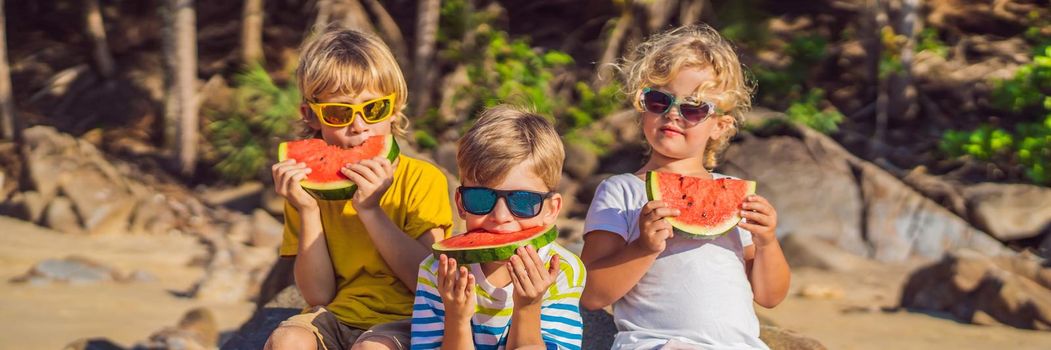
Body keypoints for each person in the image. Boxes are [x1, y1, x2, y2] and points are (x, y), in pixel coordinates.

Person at [579, 24, 791, 350]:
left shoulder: (735, 194)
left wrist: (767, 242)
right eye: (659, 100)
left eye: (693, 108)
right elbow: (592, 294)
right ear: (643, 107)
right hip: (658, 344)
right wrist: (643, 248)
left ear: (720, 126)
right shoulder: (620, 191)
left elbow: (770, 296)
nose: (673, 115)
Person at [265, 27, 453, 350]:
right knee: (287, 340)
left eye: (373, 108)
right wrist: (308, 210)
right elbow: (318, 295)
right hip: (336, 316)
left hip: (409, 320)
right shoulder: (305, 189)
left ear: (395, 108)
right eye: (338, 113)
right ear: (310, 116)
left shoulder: (423, 179)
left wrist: (370, 212)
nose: (359, 125)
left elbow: (429, 284)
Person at [411, 105, 585, 349]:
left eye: (523, 201)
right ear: (461, 203)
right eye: (481, 198)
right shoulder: (437, 272)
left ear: (552, 210)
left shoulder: (562, 271)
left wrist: (528, 306)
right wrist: (457, 319)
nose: (501, 216)